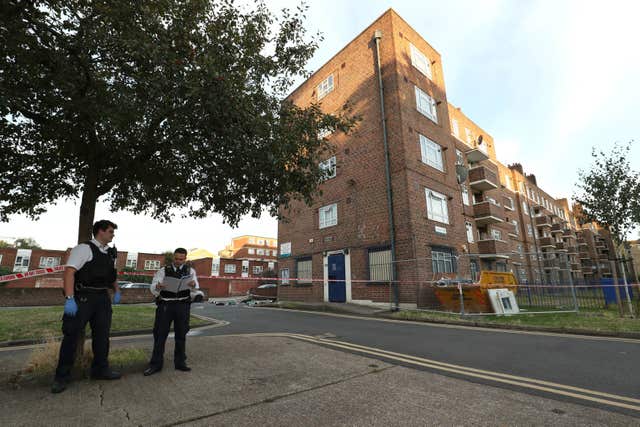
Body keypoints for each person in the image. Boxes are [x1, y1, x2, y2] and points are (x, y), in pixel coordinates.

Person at [51, 220, 122, 394]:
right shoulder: (84, 249)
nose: (113, 234)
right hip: (83, 298)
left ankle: (100, 370)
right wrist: (69, 298)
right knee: (71, 336)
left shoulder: (108, 253)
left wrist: (117, 290)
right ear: (100, 232)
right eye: (111, 231)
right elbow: (69, 272)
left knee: (102, 336)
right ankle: (61, 377)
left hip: (102, 299)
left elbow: (110, 275)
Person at [144, 247, 199, 376]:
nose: (178, 261)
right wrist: (158, 286)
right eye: (176, 258)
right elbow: (153, 287)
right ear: (173, 258)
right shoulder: (163, 270)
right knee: (160, 335)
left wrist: (193, 285)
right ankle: (156, 364)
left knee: (181, 334)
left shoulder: (190, 271)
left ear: (185, 259)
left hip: (182, 305)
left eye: (181, 259)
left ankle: (180, 363)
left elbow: (196, 287)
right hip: (166, 305)